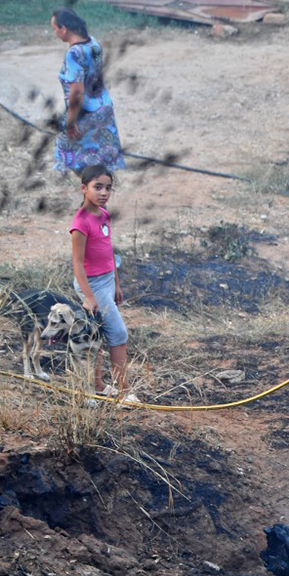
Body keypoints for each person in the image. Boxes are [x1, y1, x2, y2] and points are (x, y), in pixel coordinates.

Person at [70, 164, 137, 403]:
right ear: (83, 188)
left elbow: (109, 252)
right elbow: (77, 263)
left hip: (108, 281)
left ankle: (98, 385)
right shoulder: (81, 223)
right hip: (93, 286)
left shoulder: (104, 214)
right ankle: (125, 391)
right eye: (97, 187)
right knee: (118, 332)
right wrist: (89, 297)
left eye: (108, 188)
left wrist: (116, 283)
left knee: (98, 333)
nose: (104, 192)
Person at [51, 8, 126, 174]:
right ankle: (99, 197)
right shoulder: (94, 43)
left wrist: (70, 122)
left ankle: (93, 197)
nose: (54, 32)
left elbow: (77, 93)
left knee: (78, 162)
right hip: (104, 108)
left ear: (63, 28)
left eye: (55, 28)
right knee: (100, 164)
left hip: (84, 115)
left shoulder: (73, 54)